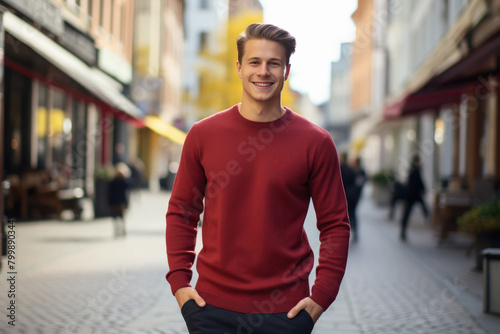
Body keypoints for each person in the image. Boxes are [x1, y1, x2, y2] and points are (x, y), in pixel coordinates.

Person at [165, 23, 350, 333]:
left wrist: (321, 298)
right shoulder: (203, 135)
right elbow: (183, 212)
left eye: (273, 63)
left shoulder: (316, 142)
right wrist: (180, 284)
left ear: (286, 70)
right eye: (254, 62)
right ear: (239, 67)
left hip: (286, 312)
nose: (263, 71)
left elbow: (335, 225)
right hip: (210, 308)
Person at [400, 154, 429, 241]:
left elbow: (420, 182)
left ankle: (429, 219)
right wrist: (424, 189)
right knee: (407, 214)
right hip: (412, 196)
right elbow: (418, 183)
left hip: (415, 195)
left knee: (422, 209)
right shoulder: (414, 171)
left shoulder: (415, 170)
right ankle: (403, 232)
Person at [107, 162, 131, 237]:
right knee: (122, 217)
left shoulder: (112, 182)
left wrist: (109, 202)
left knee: (115, 217)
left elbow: (109, 192)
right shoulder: (124, 181)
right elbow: (129, 187)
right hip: (122, 202)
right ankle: (123, 230)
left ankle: (117, 231)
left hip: (114, 202)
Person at [339, 153, 358, 241]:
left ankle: (344, 233)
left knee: (344, 215)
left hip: (344, 195)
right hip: (352, 195)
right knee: (352, 213)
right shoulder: (352, 170)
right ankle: (355, 231)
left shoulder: (340, 169)